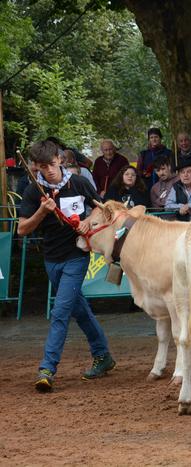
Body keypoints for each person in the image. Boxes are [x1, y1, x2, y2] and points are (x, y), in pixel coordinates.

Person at [18, 140, 115, 392]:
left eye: (52, 164)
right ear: (36, 167)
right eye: (42, 166)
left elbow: (104, 212)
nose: (49, 170)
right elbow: (22, 229)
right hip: (51, 260)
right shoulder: (33, 191)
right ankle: (103, 355)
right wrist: (41, 211)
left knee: (60, 312)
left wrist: (86, 222)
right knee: (78, 308)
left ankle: (47, 368)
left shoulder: (79, 183)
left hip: (77, 256)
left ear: (60, 160)